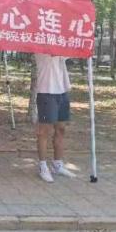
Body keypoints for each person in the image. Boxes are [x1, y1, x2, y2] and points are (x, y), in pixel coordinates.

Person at [34, 53, 76, 183]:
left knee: (61, 129)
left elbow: (73, 51)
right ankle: (42, 166)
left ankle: (57, 164)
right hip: (46, 91)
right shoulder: (41, 47)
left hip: (62, 92)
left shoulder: (62, 46)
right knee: (44, 131)